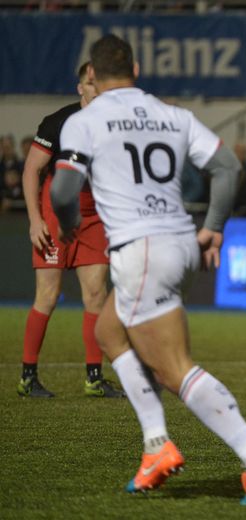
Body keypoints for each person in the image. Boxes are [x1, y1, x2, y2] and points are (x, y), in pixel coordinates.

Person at [50, 34, 246, 505]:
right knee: (109, 332)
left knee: (173, 368)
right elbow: (227, 168)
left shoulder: (85, 120)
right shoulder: (172, 114)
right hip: (179, 240)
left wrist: (70, 226)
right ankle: (156, 444)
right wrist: (214, 228)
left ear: (91, 74)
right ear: (136, 67)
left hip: (142, 250)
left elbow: (61, 192)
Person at [17, 62, 123, 398]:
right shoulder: (58, 122)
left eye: (101, 82)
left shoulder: (116, 125)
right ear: (80, 88)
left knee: (95, 295)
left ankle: (93, 377)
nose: (96, 88)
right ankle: (27, 377)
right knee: (47, 296)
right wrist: (35, 220)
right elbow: (32, 171)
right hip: (55, 212)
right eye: (91, 83)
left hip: (94, 216)